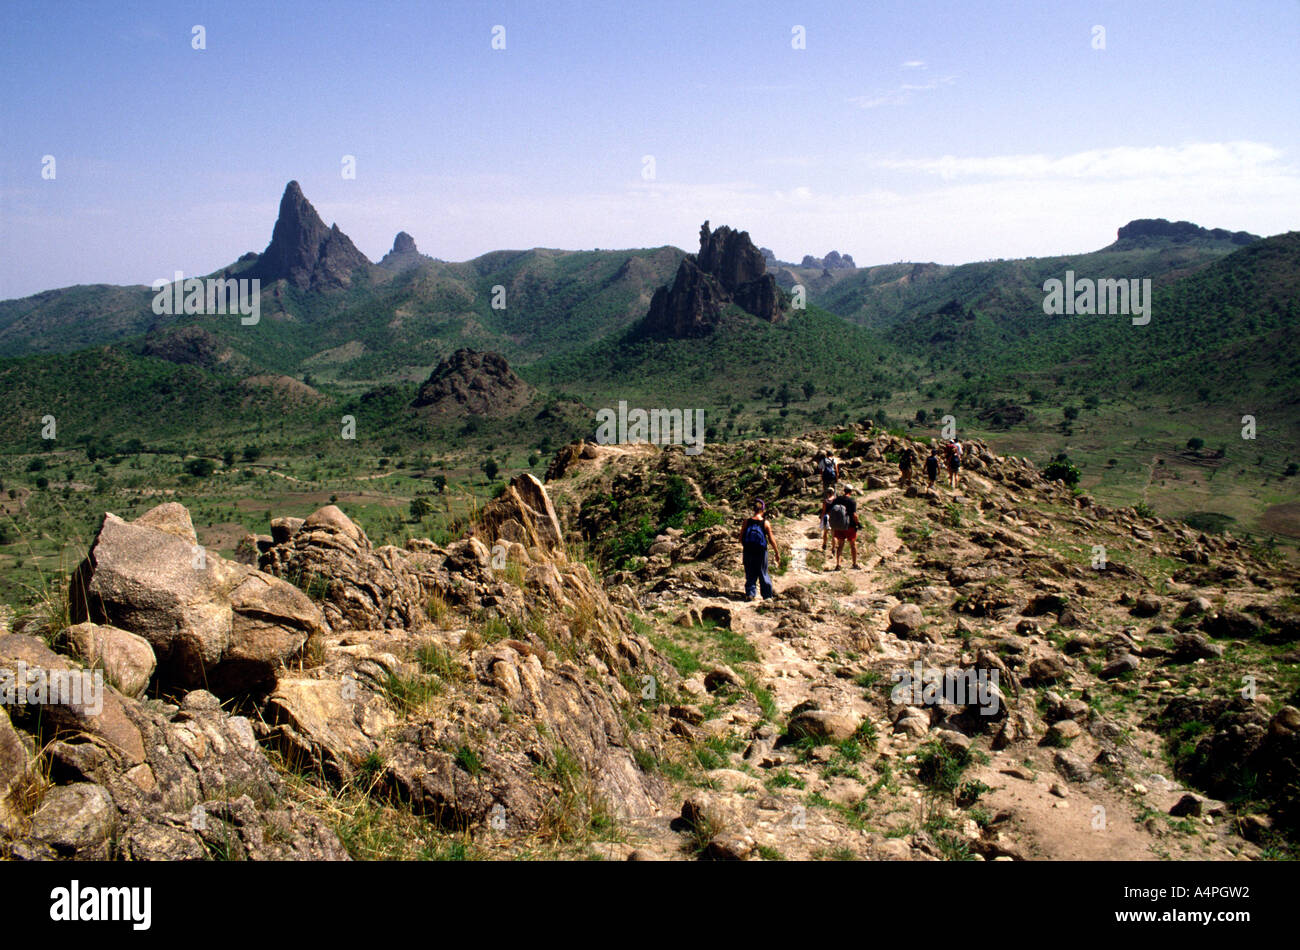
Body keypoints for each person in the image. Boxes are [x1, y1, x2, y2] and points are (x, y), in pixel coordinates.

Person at [739, 498, 780, 601]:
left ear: (754, 509)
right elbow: (771, 539)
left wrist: (746, 546)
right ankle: (767, 596)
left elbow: (740, 538)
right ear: (763, 510)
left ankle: (750, 594)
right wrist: (776, 552)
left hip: (748, 550)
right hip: (761, 551)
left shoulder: (747, 522)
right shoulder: (765, 523)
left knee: (750, 573)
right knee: (763, 572)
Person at [827, 484, 861, 570]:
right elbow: (854, 515)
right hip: (850, 526)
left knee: (840, 545)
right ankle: (854, 564)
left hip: (839, 526)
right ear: (851, 492)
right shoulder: (852, 501)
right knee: (853, 545)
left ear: (844, 490)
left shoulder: (837, 499)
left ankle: (838, 564)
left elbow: (830, 510)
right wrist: (858, 523)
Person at [819, 486, 836, 551]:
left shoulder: (825, 501)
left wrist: (821, 520)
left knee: (825, 532)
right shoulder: (836, 500)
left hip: (827, 517)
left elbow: (823, 511)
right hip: (834, 518)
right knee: (833, 534)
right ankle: (833, 548)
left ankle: (824, 544)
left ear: (827, 493)